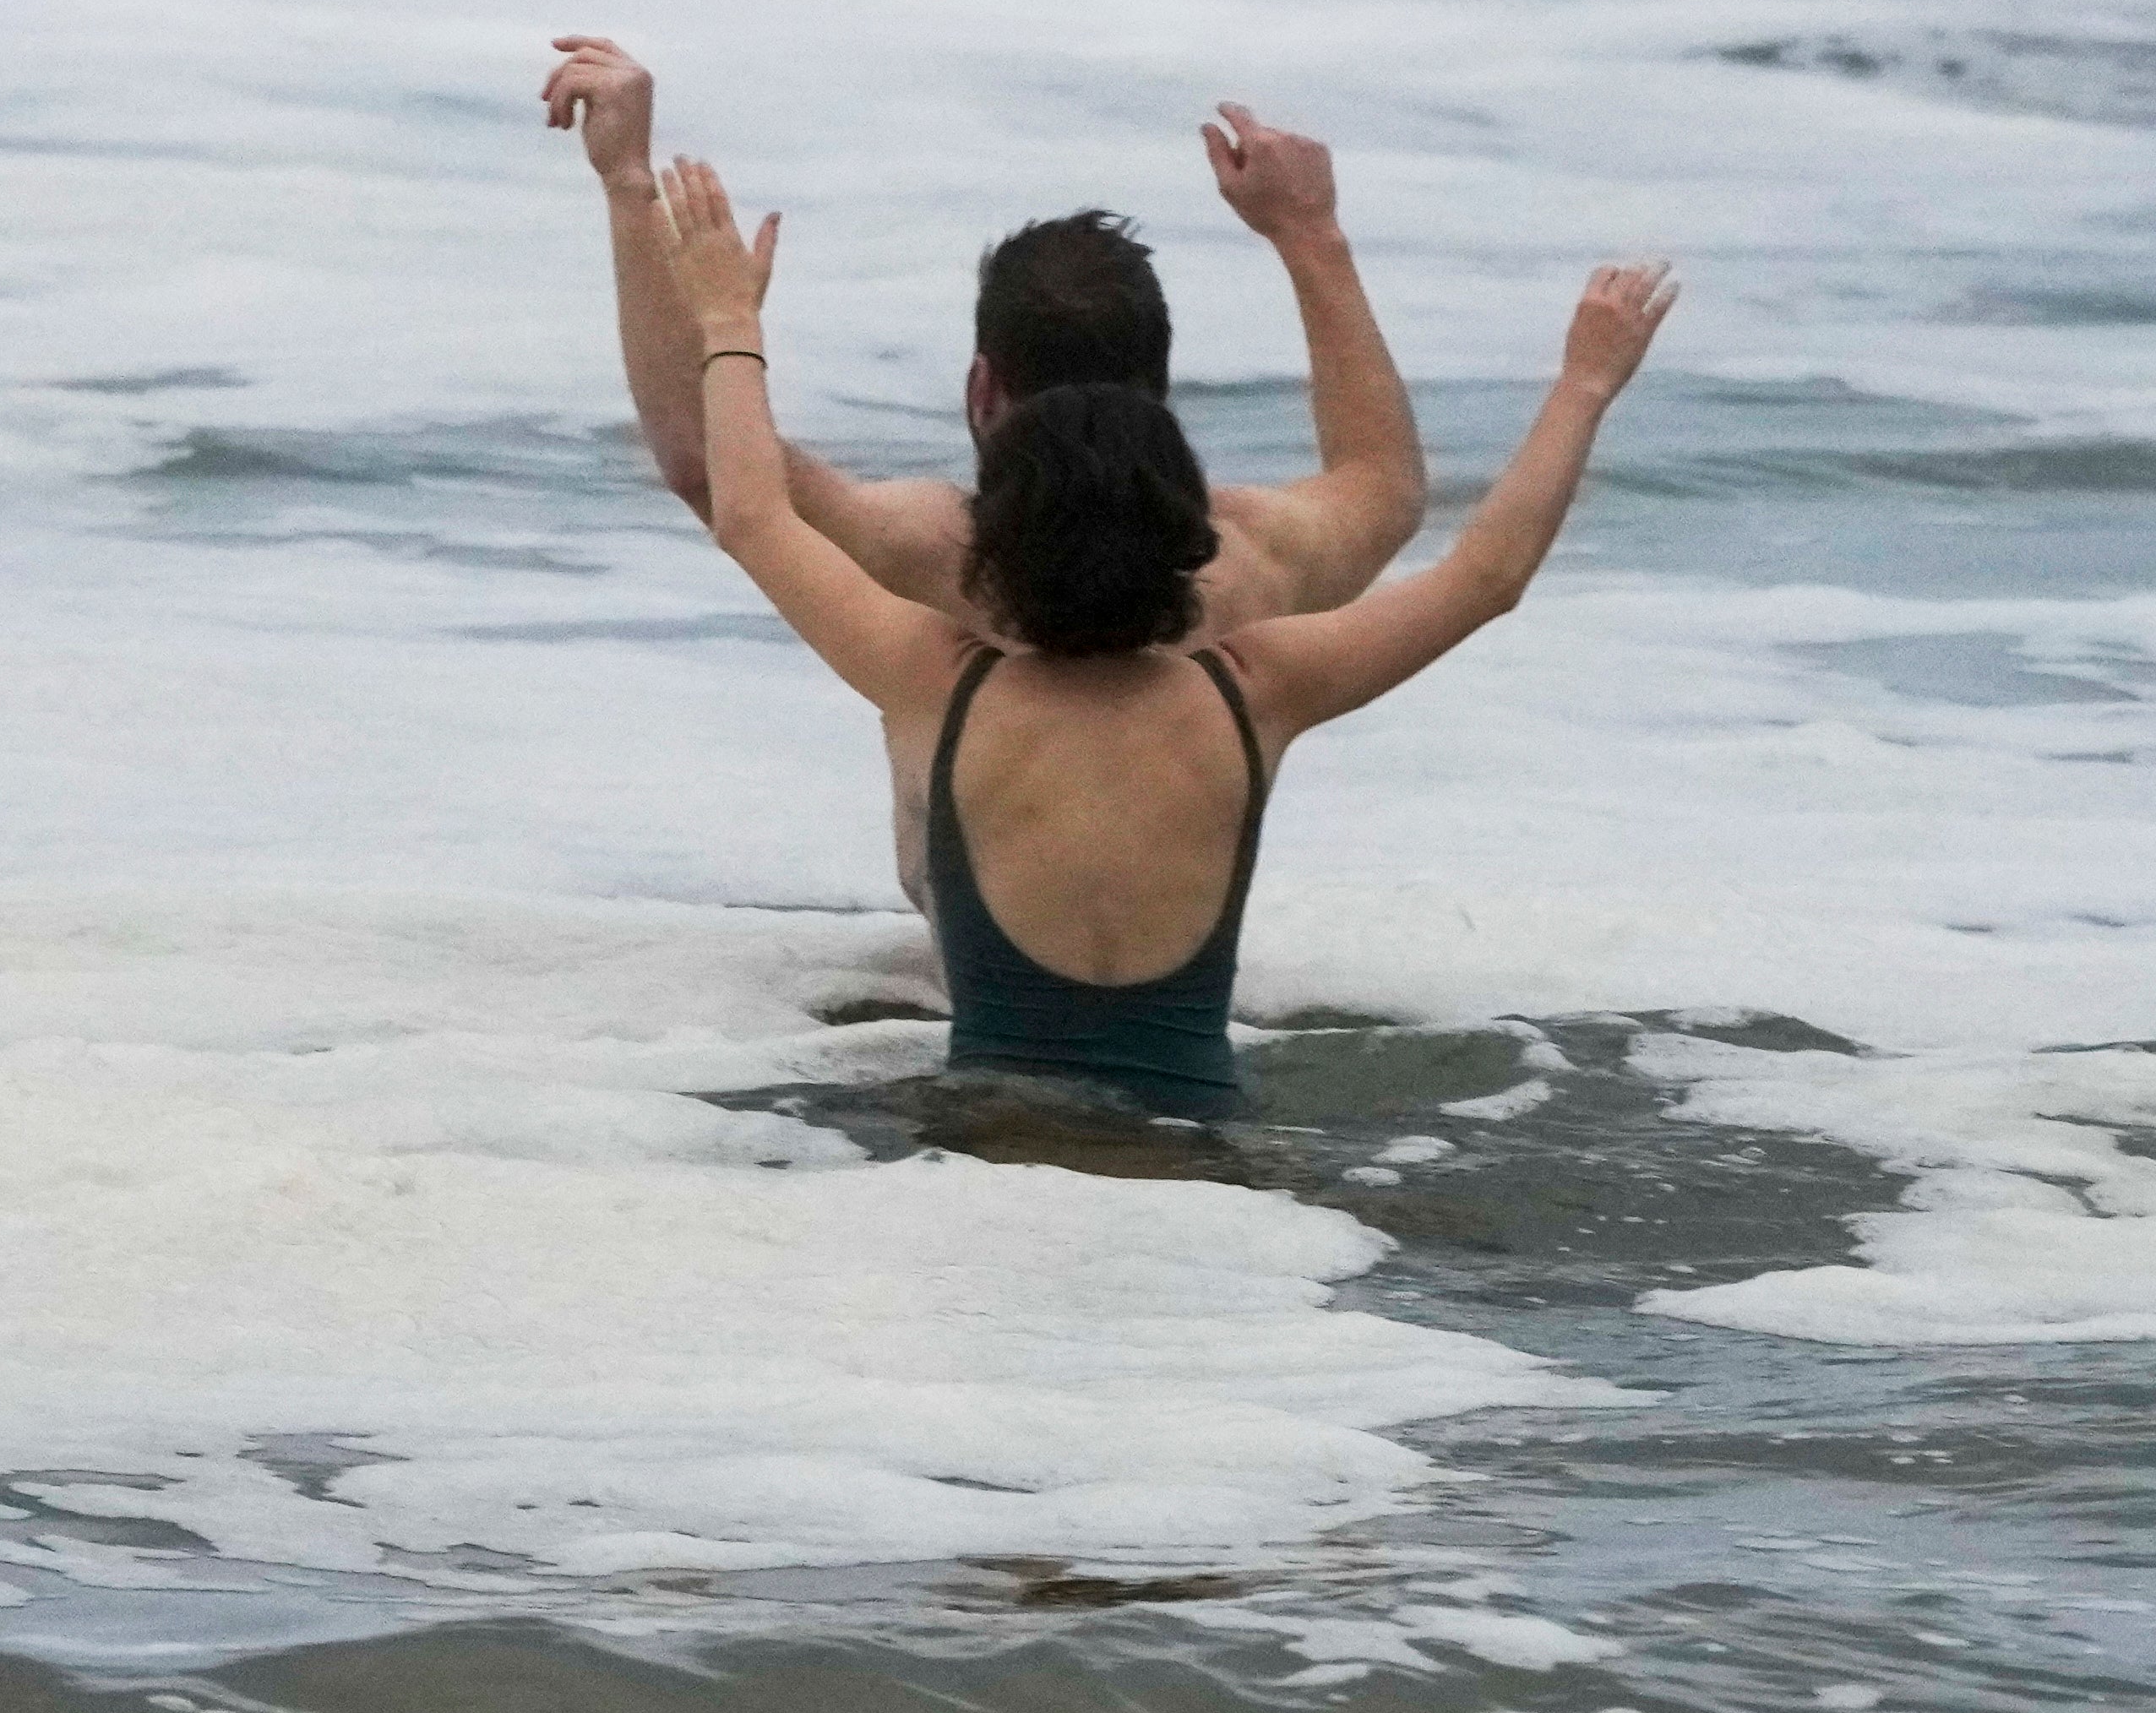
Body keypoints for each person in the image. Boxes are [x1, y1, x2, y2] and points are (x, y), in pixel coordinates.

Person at [648, 155, 1677, 1121]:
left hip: (977, 1163)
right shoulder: (1255, 690)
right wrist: (1583, 384)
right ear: (1189, 523)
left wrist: (730, 318)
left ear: (990, 533)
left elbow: (752, 513)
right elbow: (1486, 573)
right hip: (1208, 1178)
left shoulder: (934, 680)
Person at [541, 35, 1423, 635]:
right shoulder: (1248, 566)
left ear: (982, 389)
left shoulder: (941, 565)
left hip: (964, 922)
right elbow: (1382, 489)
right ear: (1158, 389)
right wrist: (1312, 236)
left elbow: (709, 465)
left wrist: (628, 183)